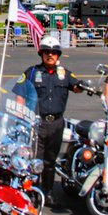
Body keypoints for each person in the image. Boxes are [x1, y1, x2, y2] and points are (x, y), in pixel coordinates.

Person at [12, 35, 84, 205]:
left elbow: (76, 87)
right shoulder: (31, 72)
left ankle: (48, 192)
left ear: (58, 54)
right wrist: (20, 116)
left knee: (50, 161)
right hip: (37, 123)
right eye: (46, 52)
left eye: (53, 52)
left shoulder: (65, 73)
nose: (50, 55)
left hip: (57, 124)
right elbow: (20, 94)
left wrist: (82, 85)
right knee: (35, 160)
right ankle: (32, 192)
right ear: (41, 53)